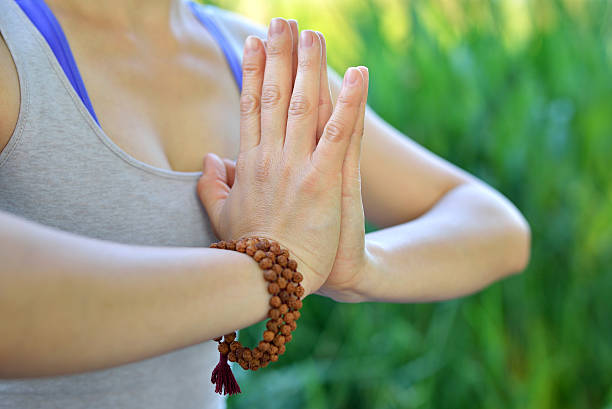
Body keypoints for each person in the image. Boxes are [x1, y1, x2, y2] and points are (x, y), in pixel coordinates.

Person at [0, 0, 531, 407]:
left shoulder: (252, 60)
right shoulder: (13, 47)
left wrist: (357, 267)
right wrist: (276, 265)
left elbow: (495, 226)